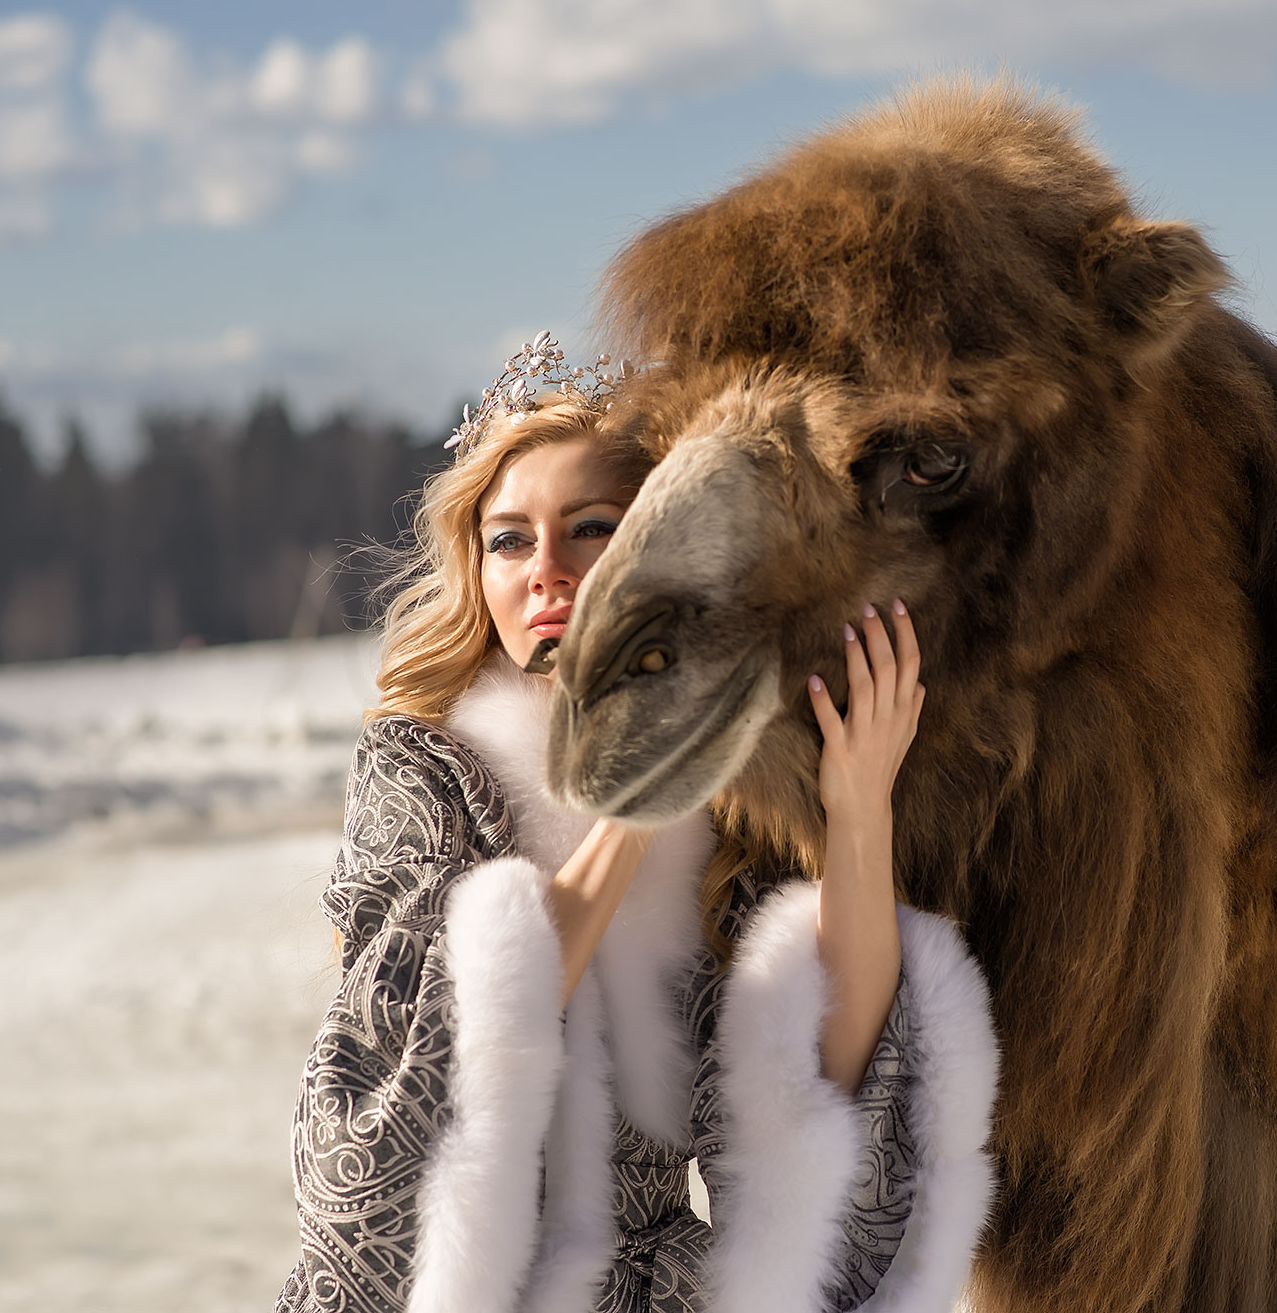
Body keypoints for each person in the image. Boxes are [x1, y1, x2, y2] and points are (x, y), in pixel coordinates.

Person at [275, 340, 998, 1313]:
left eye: (589, 529)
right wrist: (643, 775)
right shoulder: (425, 768)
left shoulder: (731, 803)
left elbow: (824, 1080)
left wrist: (856, 808)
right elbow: (418, 1079)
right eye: (508, 539)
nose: (546, 572)